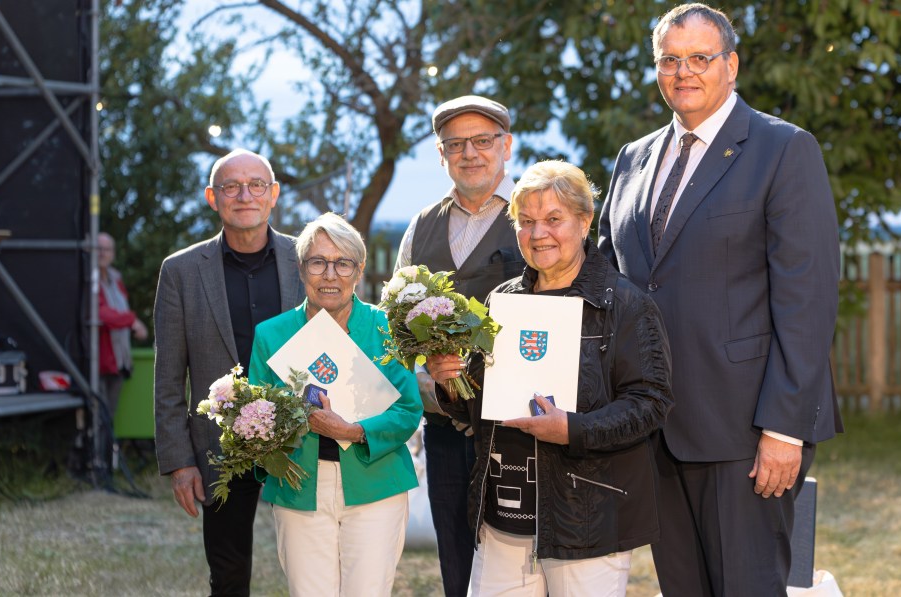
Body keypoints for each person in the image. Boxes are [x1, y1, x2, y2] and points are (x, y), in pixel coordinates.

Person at [597, 4, 842, 595]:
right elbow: (606, 277)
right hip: (654, 425)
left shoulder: (783, 149)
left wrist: (785, 428)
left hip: (746, 433)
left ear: (730, 65)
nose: (684, 71)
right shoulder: (634, 158)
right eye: (669, 60)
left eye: (700, 58)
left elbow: (806, 300)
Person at [427, 160, 673, 596]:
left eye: (554, 219)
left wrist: (571, 430)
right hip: (503, 517)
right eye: (526, 222)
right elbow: (480, 404)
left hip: (586, 523)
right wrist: (451, 382)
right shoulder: (502, 300)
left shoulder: (625, 305)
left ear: (584, 221)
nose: (539, 234)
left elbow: (649, 404)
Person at [247, 212, 423, 597]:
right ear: (301, 268)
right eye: (318, 262)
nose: (330, 274)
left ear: (359, 271)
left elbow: (408, 410)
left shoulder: (388, 329)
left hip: (375, 483)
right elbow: (255, 419)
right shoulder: (271, 335)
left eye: (342, 263)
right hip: (300, 487)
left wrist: (353, 431)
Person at [154, 148, 303, 595]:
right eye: (230, 186)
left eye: (256, 185)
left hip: (303, 435)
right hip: (219, 446)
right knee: (229, 573)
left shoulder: (308, 259)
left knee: (311, 564)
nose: (244, 195)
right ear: (212, 197)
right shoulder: (180, 271)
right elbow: (167, 379)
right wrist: (179, 462)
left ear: (273, 194)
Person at [394, 94, 525, 597]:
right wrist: (424, 374)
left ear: (506, 146)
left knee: (518, 560)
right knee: (455, 557)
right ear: (441, 154)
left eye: (482, 141)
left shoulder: (534, 214)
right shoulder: (420, 225)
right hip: (445, 423)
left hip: (519, 424)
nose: (470, 153)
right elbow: (398, 325)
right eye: (455, 144)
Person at [96, 232, 147, 419]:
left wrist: (129, 322)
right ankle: (97, 449)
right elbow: (100, 312)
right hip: (97, 361)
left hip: (117, 361)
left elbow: (118, 311)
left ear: (113, 254)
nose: (102, 253)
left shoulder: (116, 279)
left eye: (107, 249)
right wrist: (132, 321)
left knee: (108, 417)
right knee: (97, 418)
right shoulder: (88, 279)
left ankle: (106, 449)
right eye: (98, 248)